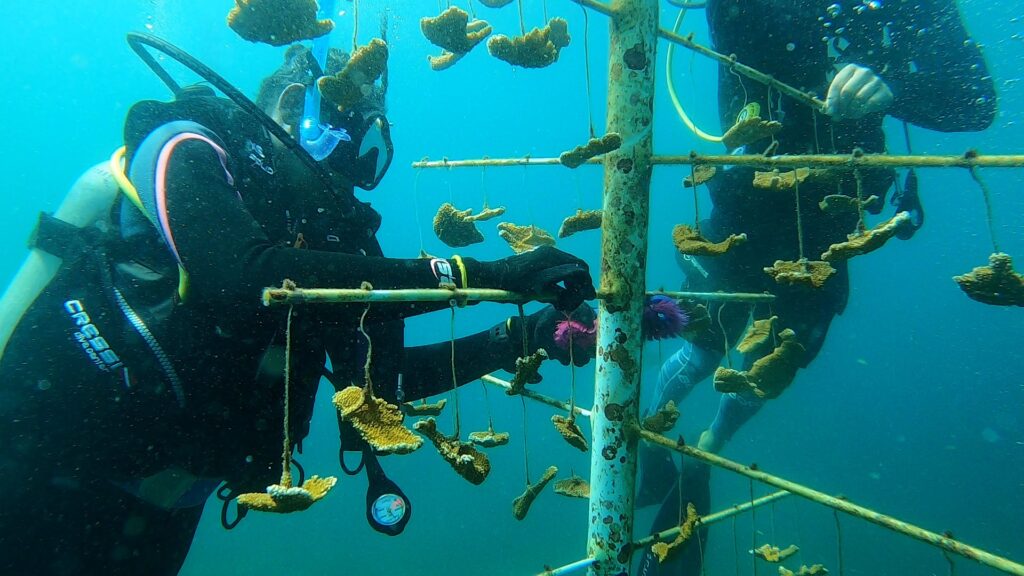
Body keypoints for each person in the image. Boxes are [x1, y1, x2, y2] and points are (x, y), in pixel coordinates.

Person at [0, 33, 596, 576]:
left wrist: (521, 336)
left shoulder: (329, 243)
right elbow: (244, 280)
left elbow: (384, 382)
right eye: (350, 139)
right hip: (39, 466)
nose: (356, 174)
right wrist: (480, 274)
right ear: (292, 106)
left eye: (374, 154)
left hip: (166, 515)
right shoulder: (189, 147)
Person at [638, 0, 995, 573]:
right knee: (705, 343)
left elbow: (977, 100)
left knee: (779, 355)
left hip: (830, 215)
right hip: (746, 198)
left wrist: (893, 86)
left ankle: (705, 451)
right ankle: (654, 440)